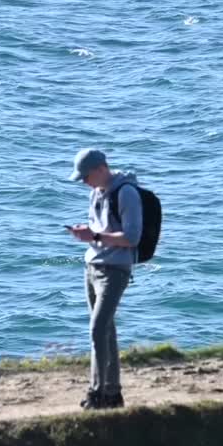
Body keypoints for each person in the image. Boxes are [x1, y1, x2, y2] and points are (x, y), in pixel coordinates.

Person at [66, 148, 143, 410]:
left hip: (115, 270)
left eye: (86, 176)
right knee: (106, 332)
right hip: (92, 267)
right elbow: (101, 230)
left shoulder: (127, 193)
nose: (84, 182)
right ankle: (112, 394)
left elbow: (132, 238)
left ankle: (97, 392)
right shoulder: (95, 193)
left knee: (98, 329)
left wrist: (95, 237)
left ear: (101, 169)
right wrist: (86, 235)